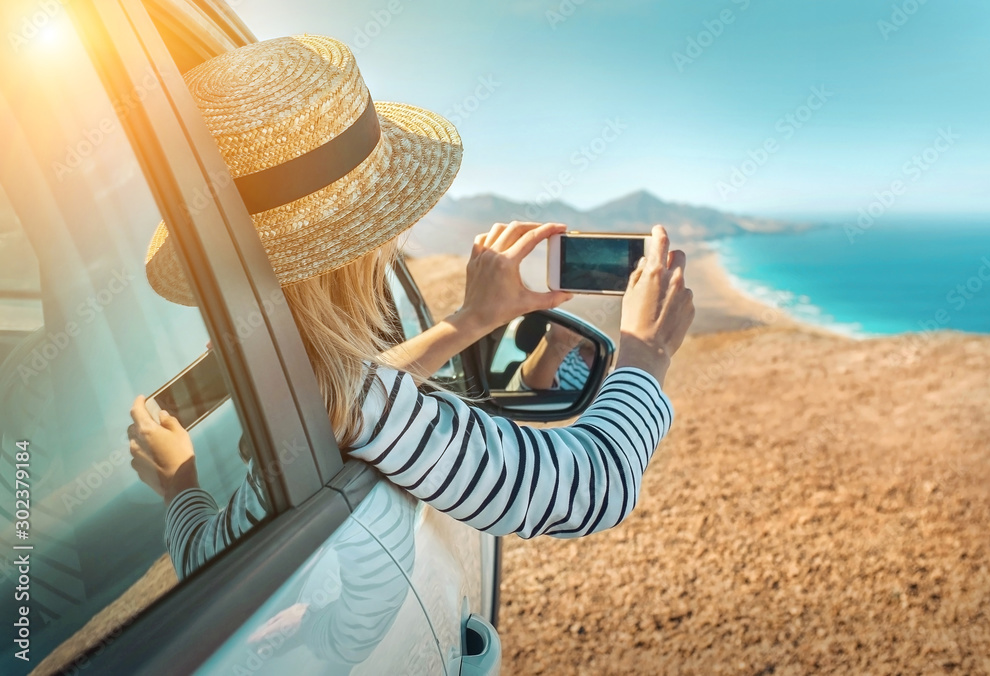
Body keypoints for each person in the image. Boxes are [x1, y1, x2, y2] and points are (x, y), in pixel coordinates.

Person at [126, 35, 695, 580]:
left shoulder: (312, 391)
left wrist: (474, 318)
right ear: (362, 250)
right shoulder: (361, 406)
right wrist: (647, 352)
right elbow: (593, 484)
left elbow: (351, 388)